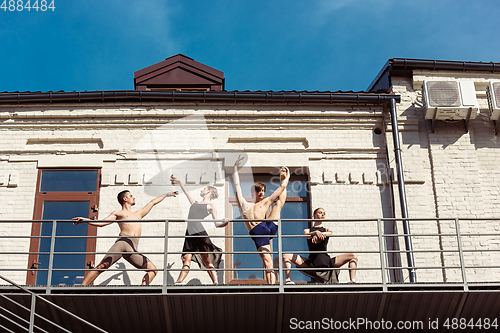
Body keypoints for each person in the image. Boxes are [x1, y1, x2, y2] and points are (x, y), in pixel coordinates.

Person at [72, 190, 178, 286]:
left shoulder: (138, 214)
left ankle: (143, 290)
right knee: (102, 266)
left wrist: (165, 194)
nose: (134, 197)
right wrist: (85, 220)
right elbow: (101, 223)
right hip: (123, 243)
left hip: (133, 248)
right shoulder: (118, 213)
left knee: (153, 270)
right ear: (125, 199)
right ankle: (82, 286)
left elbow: (152, 203)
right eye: (131, 196)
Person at [232, 155, 290, 284]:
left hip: (267, 225)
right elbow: (236, 185)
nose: (262, 193)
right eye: (260, 190)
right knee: (267, 261)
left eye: (263, 190)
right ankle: (272, 285)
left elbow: (281, 189)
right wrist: (235, 168)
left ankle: (273, 286)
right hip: (258, 232)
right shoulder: (244, 204)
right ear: (253, 192)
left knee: (278, 203)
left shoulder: (264, 203)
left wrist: (286, 179)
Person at [170, 175, 228, 285]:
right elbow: (186, 192)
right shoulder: (195, 203)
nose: (202, 190)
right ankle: (178, 282)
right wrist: (180, 181)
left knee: (206, 260)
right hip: (190, 234)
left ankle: (215, 281)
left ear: (209, 191)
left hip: (199, 232)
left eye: (204, 189)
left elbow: (217, 223)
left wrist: (225, 223)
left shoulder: (211, 206)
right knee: (186, 259)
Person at [282, 207, 358, 284]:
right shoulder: (308, 230)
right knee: (286, 256)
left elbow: (330, 233)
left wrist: (319, 234)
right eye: (320, 212)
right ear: (314, 215)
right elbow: (307, 235)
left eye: (324, 213)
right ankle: (288, 280)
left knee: (353, 255)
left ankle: (353, 281)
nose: (322, 214)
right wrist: (315, 233)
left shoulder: (327, 230)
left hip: (326, 261)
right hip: (311, 262)